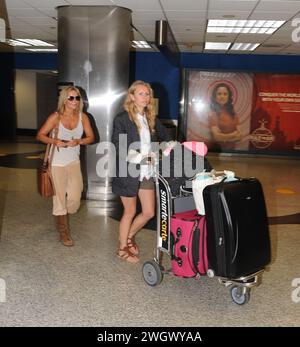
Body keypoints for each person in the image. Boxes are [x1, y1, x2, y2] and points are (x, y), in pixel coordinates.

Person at [112, 80, 173, 263]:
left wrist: (167, 150)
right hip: (128, 172)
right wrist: (142, 158)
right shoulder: (122, 119)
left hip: (147, 172)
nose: (146, 97)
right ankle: (122, 248)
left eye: (147, 94)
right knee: (129, 211)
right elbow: (119, 147)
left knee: (148, 212)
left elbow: (167, 138)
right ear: (131, 96)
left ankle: (128, 237)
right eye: (141, 94)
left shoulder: (150, 117)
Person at [36, 86, 94, 246]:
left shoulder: (84, 117)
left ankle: (60, 213)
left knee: (75, 198)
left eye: (77, 98)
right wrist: (55, 141)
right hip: (56, 163)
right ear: (64, 99)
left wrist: (79, 141)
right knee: (59, 198)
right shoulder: (56, 117)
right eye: (71, 98)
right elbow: (40, 135)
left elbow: (91, 137)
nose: (74, 101)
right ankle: (63, 231)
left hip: (73, 162)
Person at [208, 83, 241, 148]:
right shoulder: (212, 113)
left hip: (232, 152)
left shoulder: (233, 112)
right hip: (216, 152)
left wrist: (223, 137)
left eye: (225, 94)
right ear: (215, 96)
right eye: (219, 94)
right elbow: (216, 137)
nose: (222, 96)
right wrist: (233, 134)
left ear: (229, 96)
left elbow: (240, 136)